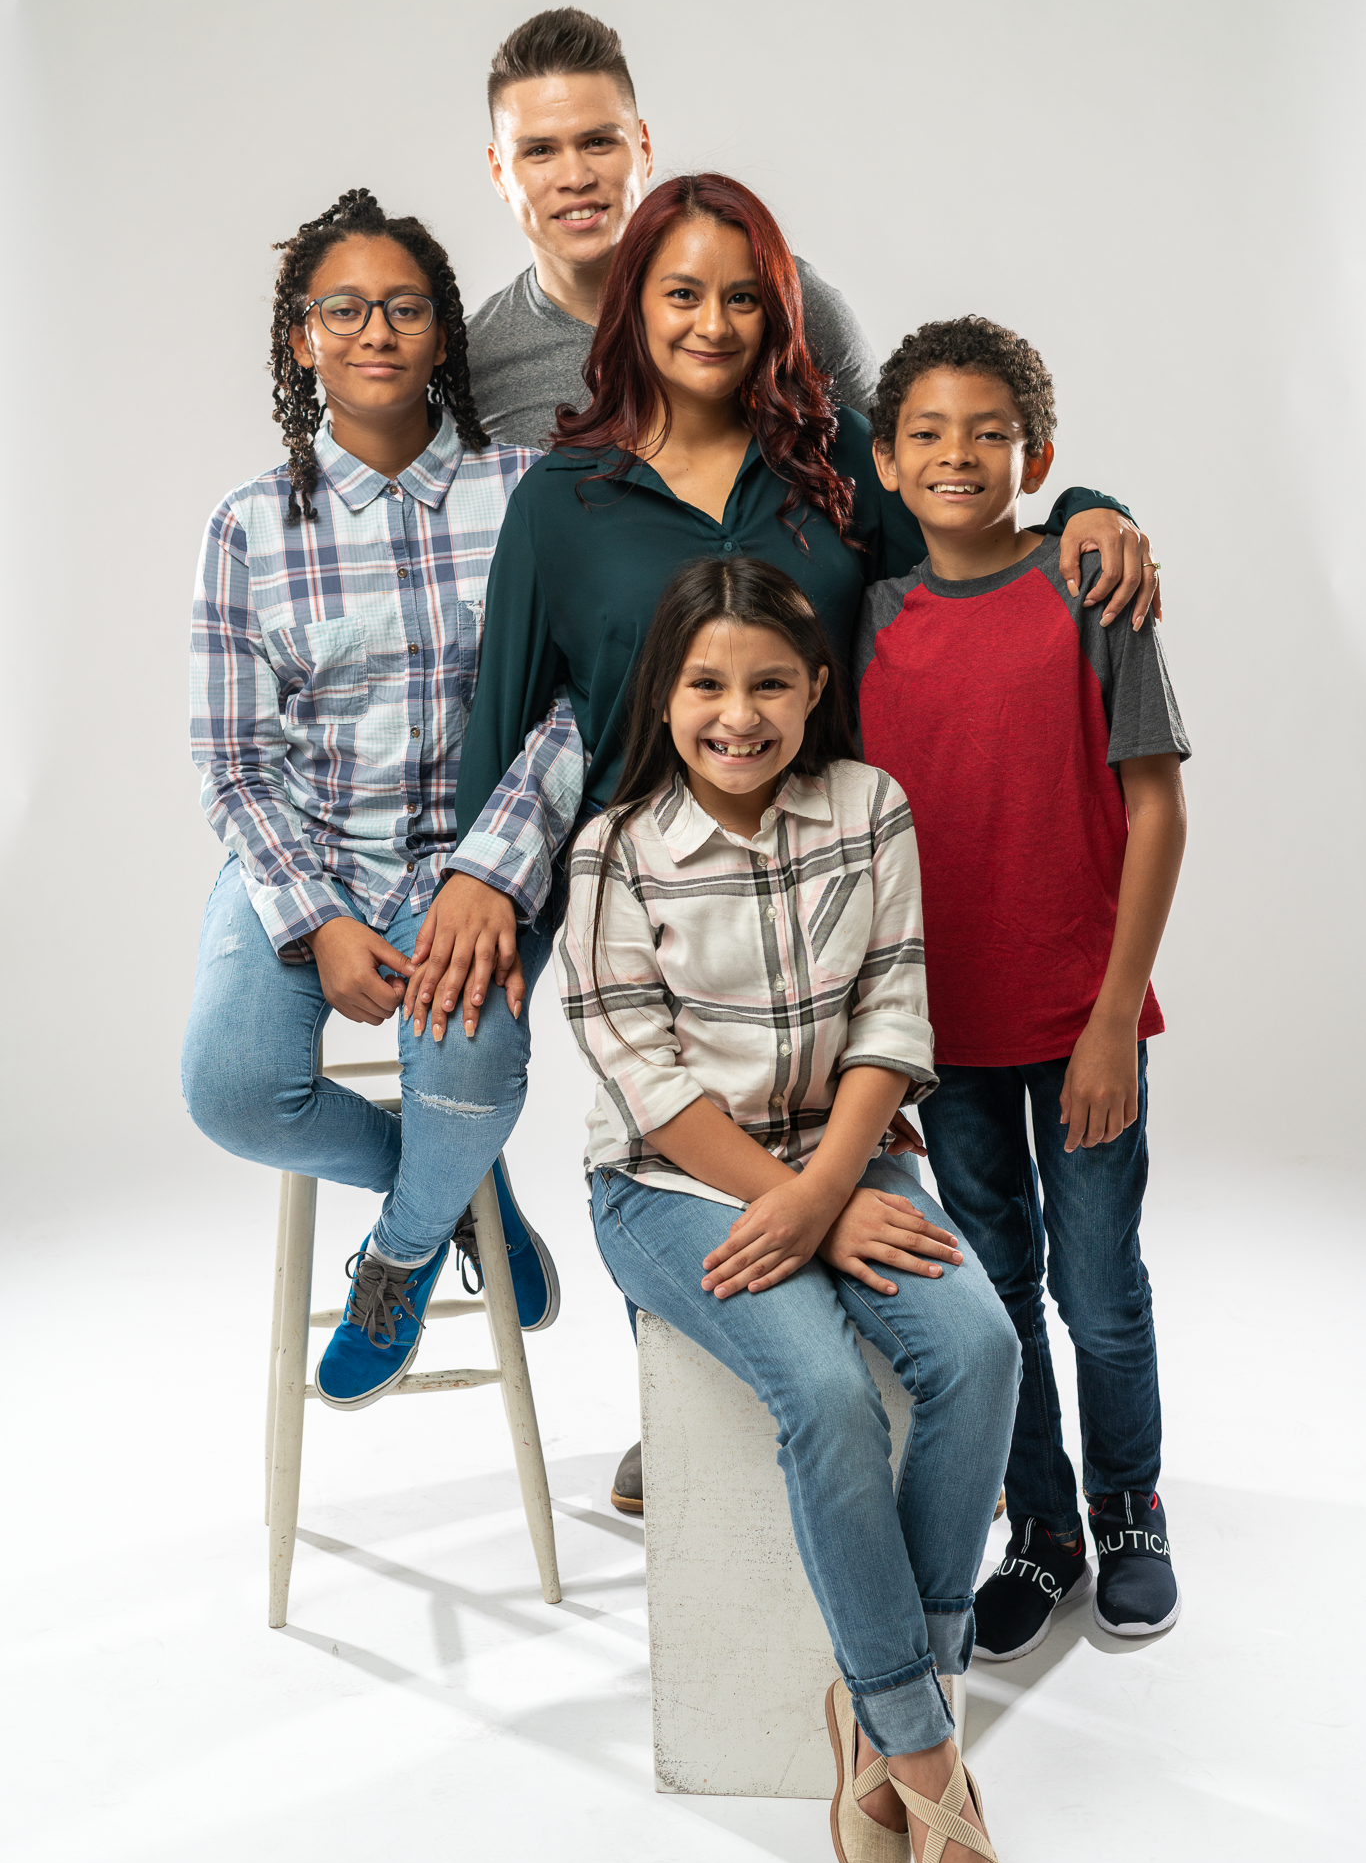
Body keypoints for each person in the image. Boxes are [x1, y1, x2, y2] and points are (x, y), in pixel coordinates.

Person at [425, 171, 1148, 1514]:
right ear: (630, 302)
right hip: (660, 927)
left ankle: (963, 1446)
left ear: (781, 313)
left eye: (742, 296)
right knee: (699, 1190)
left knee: (884, 1207)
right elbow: (505, 720)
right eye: (681, 292)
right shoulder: (560, 501)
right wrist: (485, 889)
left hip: (838, 918)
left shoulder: (831, 462)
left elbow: (970, 515)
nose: (712, 322)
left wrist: (1091, 502)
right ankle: (701, 1436)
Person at [558, 554, 1027, 1863]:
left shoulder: (865, 807)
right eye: (707, 685)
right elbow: (640, 1074)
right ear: (667, 695)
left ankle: (879, 1704)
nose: (738, 715)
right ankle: (926, 1758)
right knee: (819, 1393)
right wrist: (805, 1201)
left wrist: (834, 1184)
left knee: (983, 1348)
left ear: (817, 688)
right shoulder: (610, 852)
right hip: (668, 1186)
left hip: (850, 1155)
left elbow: (893, 1007)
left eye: (769, 683)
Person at [181, 189, 559, 1415]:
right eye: (342, 309)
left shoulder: (531, 497)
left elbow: (578, 709)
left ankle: (396, 1256)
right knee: (232, 1089)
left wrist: (487, 874)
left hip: (473, 864)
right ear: (304, 338)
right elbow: (232, 754)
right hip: (307, 854)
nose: (375, 331)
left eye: (404, 307)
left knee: (471, 1071)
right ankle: (453, 1186)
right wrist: (317, 920)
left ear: (444, 333)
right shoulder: (247, 526)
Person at [857, 316, 1189, 1651]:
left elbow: (1155, 810)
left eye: (985, 434)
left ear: (1033, 453)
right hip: (942, 1041)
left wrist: (1114, 1014)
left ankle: (1127, 1507)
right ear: (883, 463)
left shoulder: (1084, 588)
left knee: (1096, 1287)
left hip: (1077, 1024)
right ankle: (1039, 1524)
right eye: (926, 434)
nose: (955, 456)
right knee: (993, 1294)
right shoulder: (867, 622)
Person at [466, 6, 885, 443]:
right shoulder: (477, 359)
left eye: (598, 142)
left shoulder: (777, 293)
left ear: (643, 149)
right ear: (499, 172)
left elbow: (896, 472)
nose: (576, 178)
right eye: (539, 152)